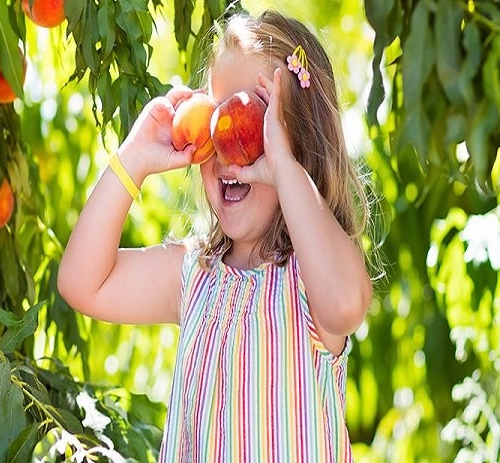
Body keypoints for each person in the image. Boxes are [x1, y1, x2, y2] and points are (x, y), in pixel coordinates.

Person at [58, 8, 374, 462]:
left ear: (297, 143)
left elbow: (346, 305)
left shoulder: (309, 281)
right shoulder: (195, 275)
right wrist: (135, 157)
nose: (228, 144)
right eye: (214, 121)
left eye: (252, 122)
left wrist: (282, 166)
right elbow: (81, 282)